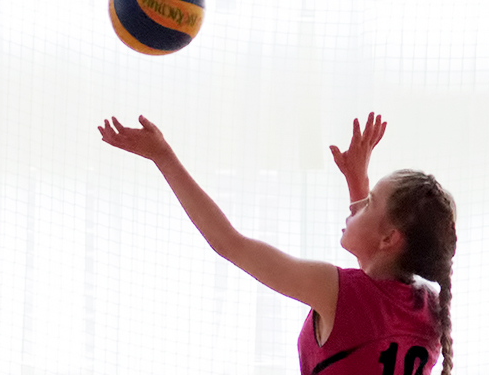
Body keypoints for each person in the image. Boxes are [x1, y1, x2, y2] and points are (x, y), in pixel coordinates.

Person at [97, 113, 456, 375]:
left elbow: (228, 243)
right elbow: (377, 288)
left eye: (370, 203)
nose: (358, 207)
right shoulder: (428, 307)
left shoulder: (338, 292)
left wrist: (164, 156)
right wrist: (359, 185)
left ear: (390, 238)